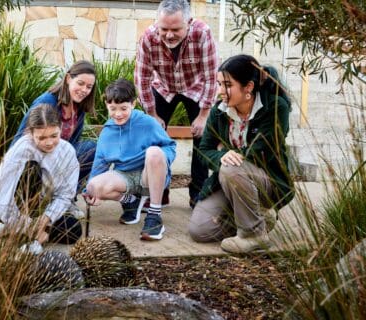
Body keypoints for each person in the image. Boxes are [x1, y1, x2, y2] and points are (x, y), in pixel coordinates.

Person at [188, 54, 295, 253]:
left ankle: (253, 234)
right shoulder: (218, 112)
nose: (220, 91)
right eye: (219, 84)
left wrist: (224, 152)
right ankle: (259, 218)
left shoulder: (275, 107)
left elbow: (261, 152)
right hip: (232, 179)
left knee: (231, 167)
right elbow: (203, 151)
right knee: (200, 231)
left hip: (266, 181)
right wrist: (220, 155)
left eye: (227, 85)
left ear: (249, 87)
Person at [134, 0, 218, 209]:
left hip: (195, 87)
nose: (169, 35)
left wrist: (203, 115)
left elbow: (211, 77)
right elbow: (142, 78)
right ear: (157, 24)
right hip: (163, 87)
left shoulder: (202, 33)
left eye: (175, 29)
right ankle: (158, 191)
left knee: (203, 138)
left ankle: (197, 194)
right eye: (164, 29)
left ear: (188, 22)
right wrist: (152, 113)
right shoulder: (148, 37)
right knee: (153, 137)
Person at [83, 79, 176, 241]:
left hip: (149, 176)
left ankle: (154, 215)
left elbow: (170, 146)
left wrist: (159, 163)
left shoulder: (147, 122)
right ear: (106, 105)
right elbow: (100, 162)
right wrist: (89, 192)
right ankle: (131, 202)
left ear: (133, 104)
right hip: (125, 177)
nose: (118, 114)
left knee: (154, 152)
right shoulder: (107, 131)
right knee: (93, 186)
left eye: (123, 108)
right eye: (113, 109)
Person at [0, 104, 83, 252]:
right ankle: (18, 229)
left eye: (54, 135)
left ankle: (16, 232)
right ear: (30, 133)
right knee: (31, 170)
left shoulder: (67, 151)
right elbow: (3, 196)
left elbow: (65, 194)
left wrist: (46, 220)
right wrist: (26, 227)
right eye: (41, 137)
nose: (49, 142)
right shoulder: (21, 150)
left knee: (73, 230)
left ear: (60, 129)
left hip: (43, 207)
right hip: (13, 206)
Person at [12, 60, 96, 189]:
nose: (84, 90)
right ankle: (37, 197)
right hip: (37, 158)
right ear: (68, 78)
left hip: (59, 157)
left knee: (91, 148)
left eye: (89, 87)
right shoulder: (46, 103)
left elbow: (72, 144)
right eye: (80, 83)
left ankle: (67, 194)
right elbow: (21, 140)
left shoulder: (79, 108)